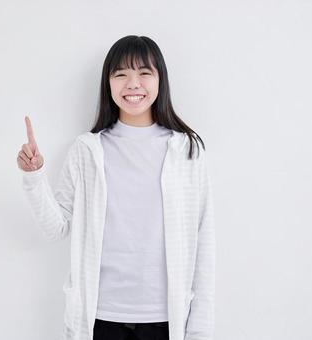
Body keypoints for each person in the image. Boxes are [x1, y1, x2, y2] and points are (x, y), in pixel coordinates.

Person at [17, 35, 215, 340]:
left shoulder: (187, 150)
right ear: (108, 84)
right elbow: (56, 228)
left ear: (160, 80)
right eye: (121, 74)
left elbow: (203, 242)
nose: (133, 83)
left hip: (166, 319)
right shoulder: (87, 150)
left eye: (144, 73)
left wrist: (199, 330)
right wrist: (34, 176)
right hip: (100, 317)